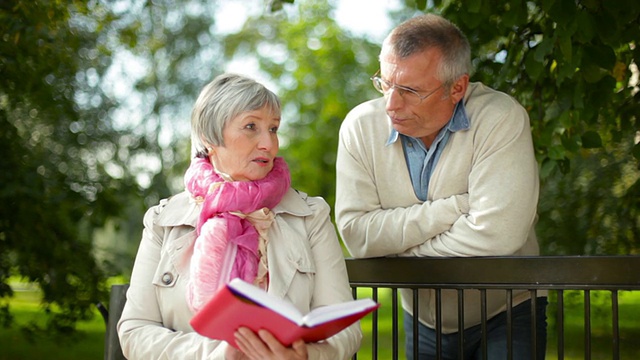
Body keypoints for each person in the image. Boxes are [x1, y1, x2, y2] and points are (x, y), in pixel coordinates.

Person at [335, 14, 547, 360]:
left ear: (457, 87)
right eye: (385, 83)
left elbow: (499, 235)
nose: (391, 104)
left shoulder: (500, 118)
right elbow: (358, 235)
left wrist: (400, 254)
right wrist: (455, 208)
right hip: (422, 321)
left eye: (409, 91)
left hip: (508, 311)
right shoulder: (360, 127)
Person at [118, 73, 362, 359]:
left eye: (273, 129)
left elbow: (347, 331)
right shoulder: (163, 221)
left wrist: (305, 356)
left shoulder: (311, 215)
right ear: (210, 138)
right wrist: (221, 355)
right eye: (251, 126)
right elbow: (135, 331)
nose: (268, 144)